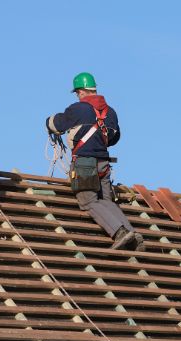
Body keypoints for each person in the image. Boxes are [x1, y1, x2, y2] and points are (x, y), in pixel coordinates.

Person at [46, 72, 144, 251]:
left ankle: (120, 232)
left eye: (77, 93)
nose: (78, 96)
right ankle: (133, 234)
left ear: (82, 91)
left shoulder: (78, 109)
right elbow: (114, 138)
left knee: (88, 201)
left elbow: (57, 124)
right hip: (104, 163)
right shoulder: (110, 112)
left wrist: (48, 122)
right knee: (106, 200)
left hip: (84, 162)